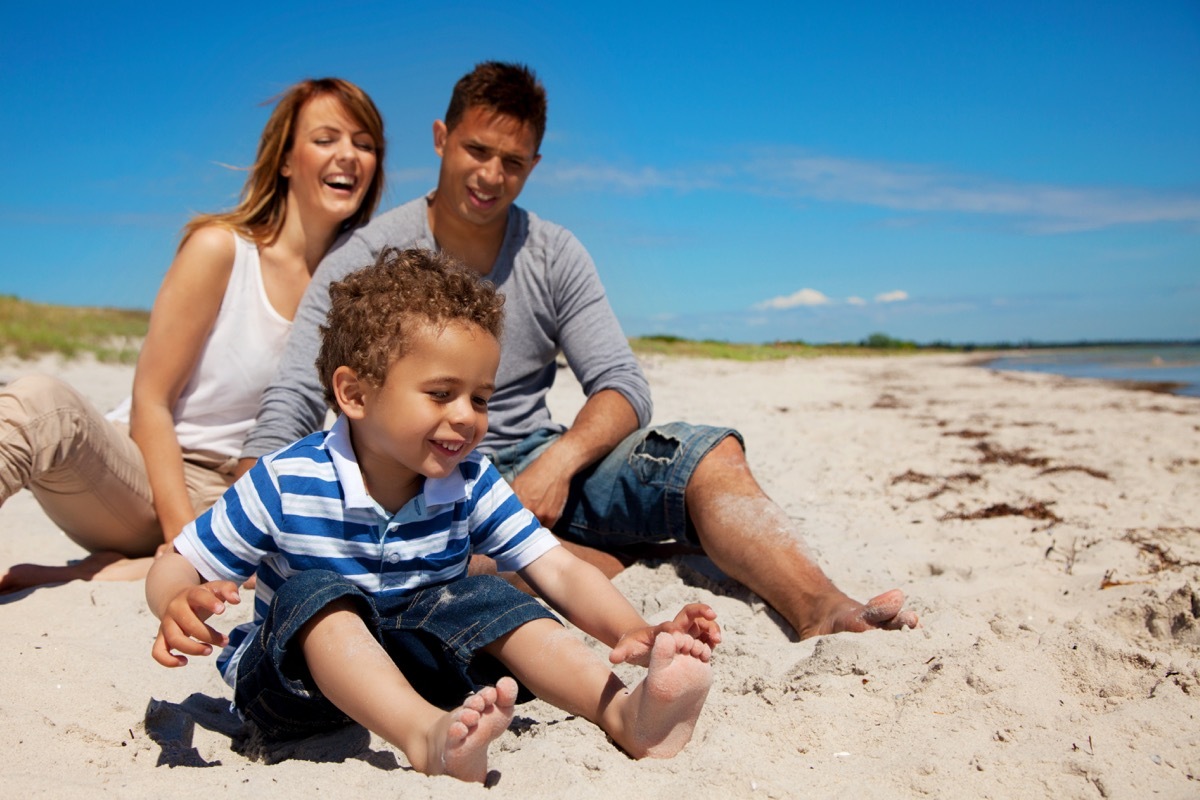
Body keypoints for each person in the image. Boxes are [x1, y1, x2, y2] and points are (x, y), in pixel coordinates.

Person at [240, 61, 920, 641]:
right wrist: (250, 517)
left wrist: (558, 464)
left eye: (512, 162)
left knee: (711, 456)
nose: (491, 175)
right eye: (477, 151)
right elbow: (298, 392)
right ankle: (588, 559)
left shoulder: (554, 252)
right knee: (454, 564)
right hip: (418, 477)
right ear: (442, 139)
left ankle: (823, 609)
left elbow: (623, 383)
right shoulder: (370, 253)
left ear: (534, 164)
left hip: (537, 456)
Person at [146, 248, 719, 783]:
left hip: (423, 672)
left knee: (492, 594)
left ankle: (625, 713)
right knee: (316, 594)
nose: (468, 417)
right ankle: (426, 739)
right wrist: (175, 601)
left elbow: (559, 570)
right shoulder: (286, 481)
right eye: (441, 393)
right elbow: (179, 562)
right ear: (355, 394)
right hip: (293, 690)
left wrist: (631, 630)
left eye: (480, 398)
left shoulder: (470, 480)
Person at [0, 77, 386, 594]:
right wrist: (184, 536)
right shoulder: (222, 249)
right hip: (141, 478)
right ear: (287, 160)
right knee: (39, 403)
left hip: (242, 497)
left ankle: (104, 571)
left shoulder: (358, 292)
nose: (349, 156)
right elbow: (151, 400)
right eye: (326, 139)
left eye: (365, 145)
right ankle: (142, 555)